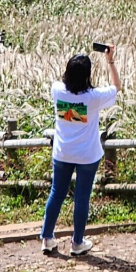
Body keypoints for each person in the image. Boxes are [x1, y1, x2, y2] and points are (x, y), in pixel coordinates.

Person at [40, 47, 121, 256]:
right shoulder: (93, 97)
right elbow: (116, 87)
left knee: (57, 193)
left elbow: (66, 84)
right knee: (82, 198)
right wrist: (110, 61)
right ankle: (77, 243)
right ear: (87, 76)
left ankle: (47, 238)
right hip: (87, 155)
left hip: (62, 152)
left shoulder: (57, 90)